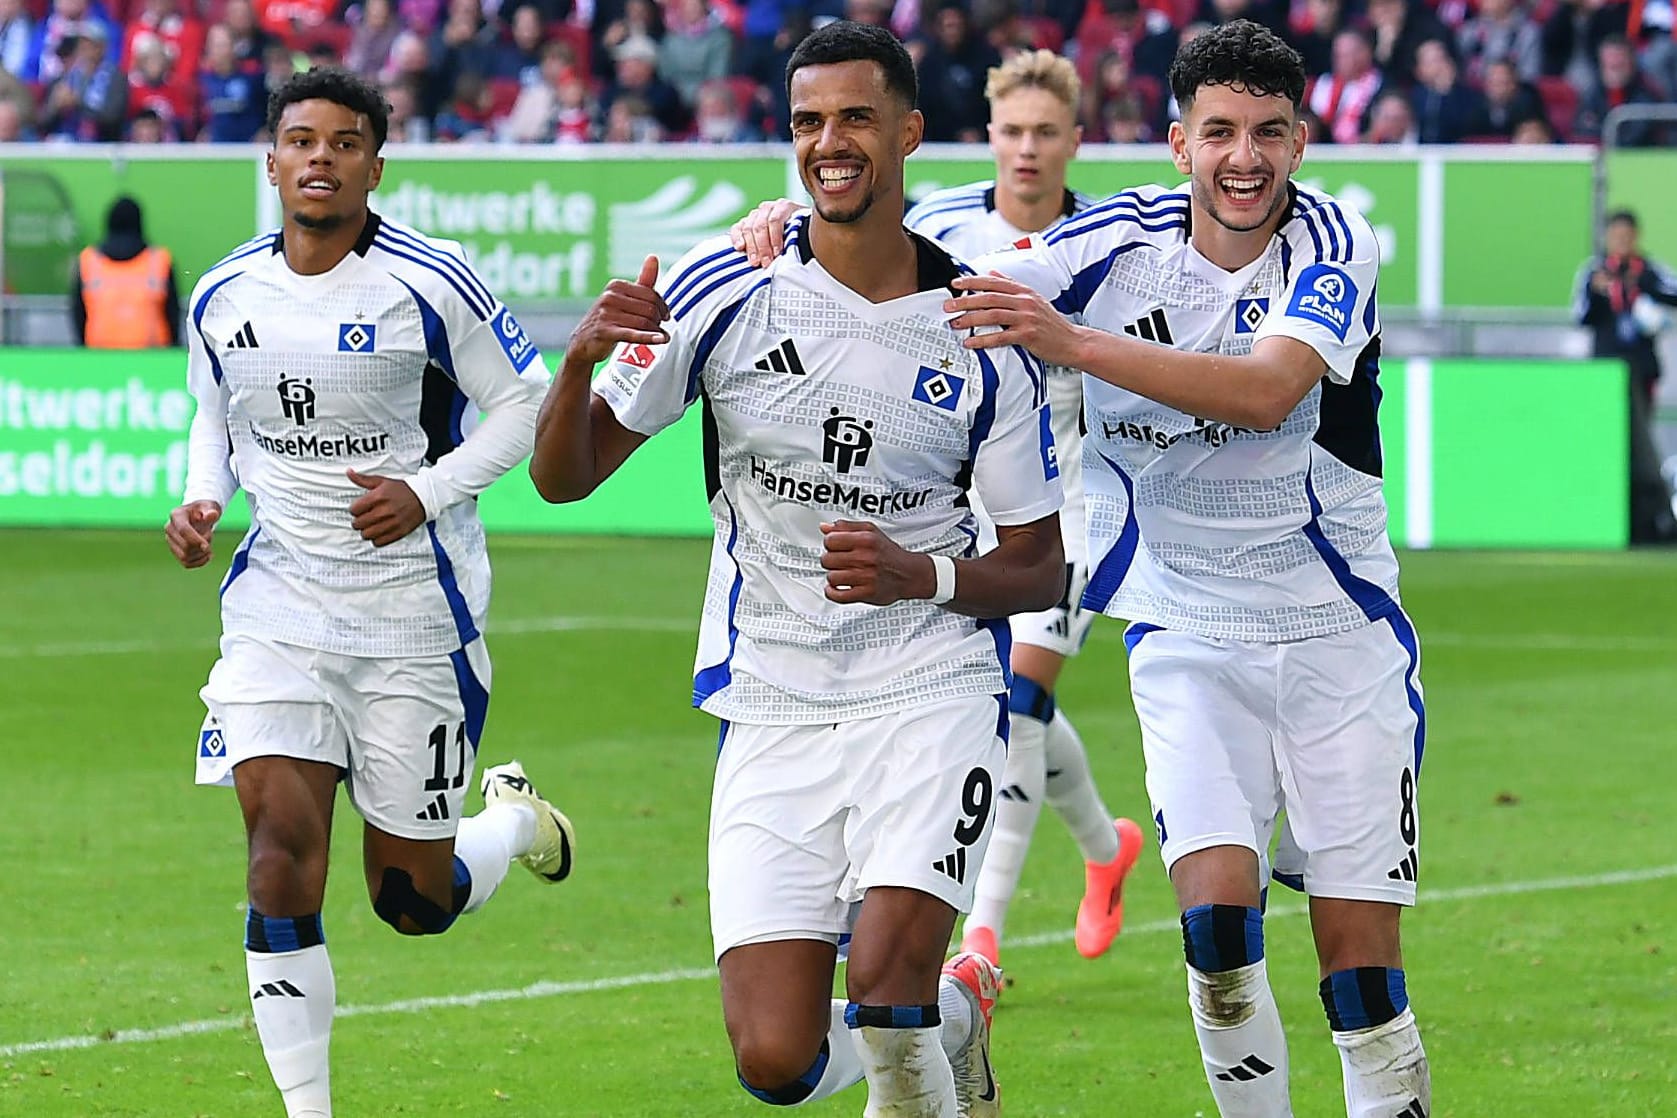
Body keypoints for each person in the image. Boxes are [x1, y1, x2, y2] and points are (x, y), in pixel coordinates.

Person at [529, 21, 1065, 1118]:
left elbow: (1040, 566)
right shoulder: (722, 291)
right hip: (773, 701)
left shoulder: (977, 330)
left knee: (882, 984)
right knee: (775, 1058)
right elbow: (565, 478)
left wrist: (924, 577)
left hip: (929, 690)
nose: (831, 142)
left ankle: (928, 1006)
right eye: (810, 121)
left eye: (857, 117)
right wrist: (578, 360)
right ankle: (964, 1013)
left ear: (909, 133)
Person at [941, 20, 1433, 1116]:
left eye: (1268, 132)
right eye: (1219, 131)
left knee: (1361, 979)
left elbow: (1268, 391)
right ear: (1179, 143)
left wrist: (1069, 344)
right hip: (1187, 633)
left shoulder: (1335, 245)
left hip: (1337, 640)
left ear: (1301, 142)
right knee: (1216, 940)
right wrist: (784, 233)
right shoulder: (1114, 242)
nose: (1243, 157)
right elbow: (954, 281)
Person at [168, 67, 573, 1118]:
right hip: (279, 610)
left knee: (410, 899)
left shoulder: (431, 285)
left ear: (375, 165)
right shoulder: (223, 294)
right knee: (276, 859)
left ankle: (514, 824)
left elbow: (525, 405)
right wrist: (202, 500)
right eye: (301, 140)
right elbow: (215, 416)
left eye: (345, 142)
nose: (320, 158)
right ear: (271, 160)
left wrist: (427, 491)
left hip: (412, 620)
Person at [732, 46, 1145, 971]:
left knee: (1024, 695)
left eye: (1045, 133)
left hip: (1067, 502)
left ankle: (981, 940)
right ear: (987, 138)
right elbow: (842, 248)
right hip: (954, 506)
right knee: (1020, 703)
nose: (1026, 151)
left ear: (1075, 142)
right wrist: (773, 218)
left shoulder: (1103, 250)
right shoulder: (943, 225)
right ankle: (1101, 847)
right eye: (1011, 132)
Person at [1575, 208, 1677, 543]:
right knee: (1610, 449)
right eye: (1616, 235)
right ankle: (1616, 520)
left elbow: (1671, 296)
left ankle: (1651, 522)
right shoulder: (1593, 272)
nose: (1622, 241)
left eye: (1627, 235)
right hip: (1604, 375)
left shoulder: (1649, 270)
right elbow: (1581, 317)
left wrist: (1646, 289)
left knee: (1641, 447)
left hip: (1640, 372)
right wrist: (1597, 292)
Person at [72, 194, 180, 348]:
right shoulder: (159, 260)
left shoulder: (88, 261)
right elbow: (173, 314)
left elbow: (78, 314)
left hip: (98, 360)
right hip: (154, 362)